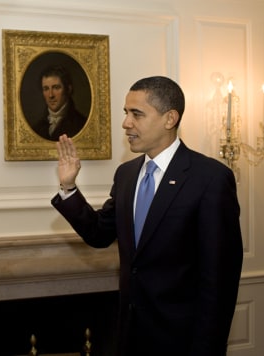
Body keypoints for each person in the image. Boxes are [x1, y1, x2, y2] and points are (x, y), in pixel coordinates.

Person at [51, 76, 243, 355]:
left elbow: (220, 283)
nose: (126, 123)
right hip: (131, 337)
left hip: (183, 342)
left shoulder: (210, 179)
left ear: (169, 119)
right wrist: (68, 187)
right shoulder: (126, 174)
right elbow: (99, 234)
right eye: (126, 113)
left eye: (136, 114)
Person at [30, 64, 88, 141]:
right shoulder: (36, 128)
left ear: (68, 89)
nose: (50, 95)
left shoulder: (82, 125)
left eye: (56, 88)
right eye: (46, 89)